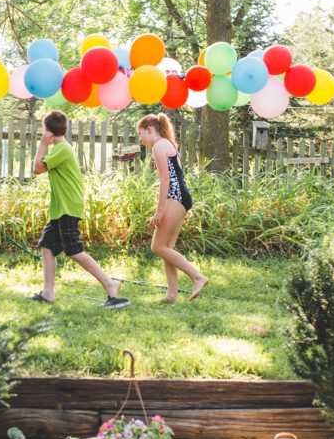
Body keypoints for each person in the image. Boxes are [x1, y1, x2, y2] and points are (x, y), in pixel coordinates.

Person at [32, 111, 129, 309]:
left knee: (74, 250)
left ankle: (110, 285)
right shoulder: (60, 148)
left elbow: (37, 168)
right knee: (47, 246)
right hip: (61, 208)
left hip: (68, 207)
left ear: (48, 131)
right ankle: (48, 292)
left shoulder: (61, 148)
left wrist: (43, 143)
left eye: (43, 129)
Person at [136, 113, 207, 302]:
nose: (140, 139)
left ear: (150, 129)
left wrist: (159, 211)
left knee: (158, 246)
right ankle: (172, 294)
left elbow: (165, 180)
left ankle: (197, 277)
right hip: (182, 197)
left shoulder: (159, 146)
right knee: (167, 247)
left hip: (175, 197)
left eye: (141, 134)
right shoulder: (168, 143)